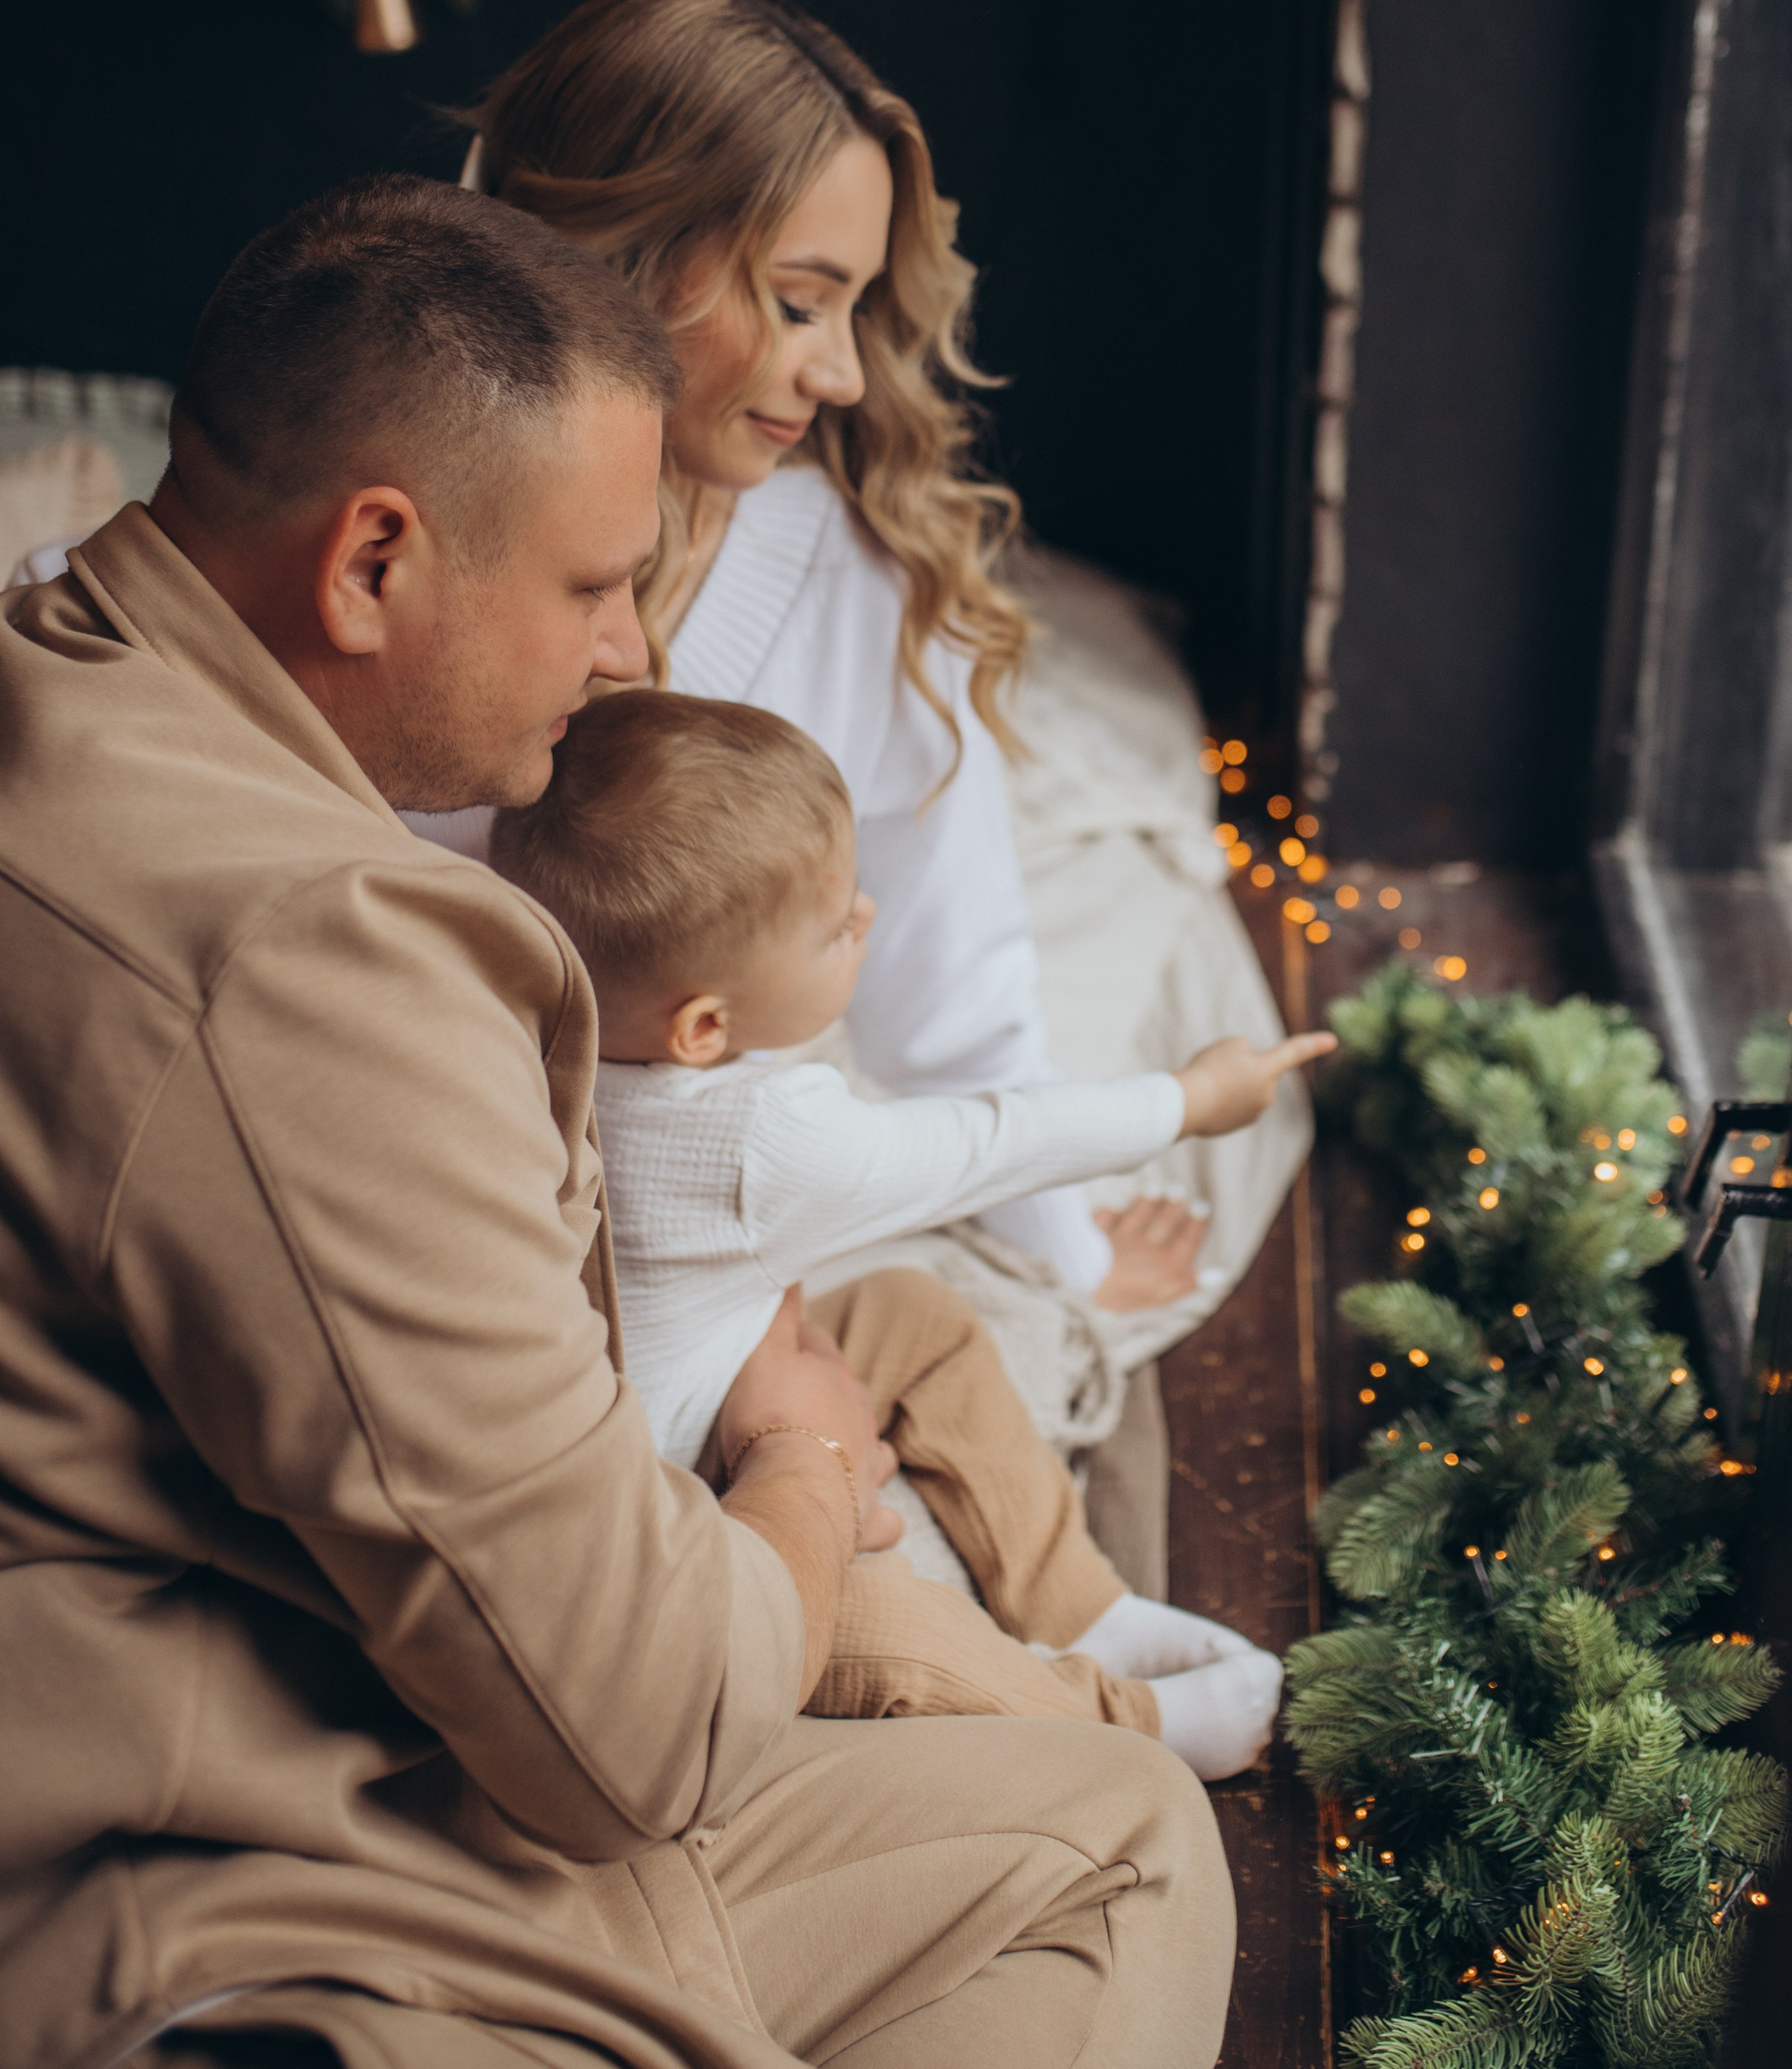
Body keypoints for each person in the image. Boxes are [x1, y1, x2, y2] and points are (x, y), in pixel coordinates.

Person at [0, 179, 1234, 2069]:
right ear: (376, 556)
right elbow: (632, 1735)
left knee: (1109, 1815)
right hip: (218, 1909)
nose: (633, 649)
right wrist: (807, 1465)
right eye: (594, 585)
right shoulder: (316, 956)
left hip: (263, 1755)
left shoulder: (56, 667)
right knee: (1122, 1852)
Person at [428, 0, 1309, 1376]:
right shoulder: (394, 527)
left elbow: (959, 1006)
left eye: (855, 311)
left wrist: (1077, 1258)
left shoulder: (855, 591)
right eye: (799, 301)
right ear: (623, 253)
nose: (841, 374)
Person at [491, 686, 1330, 1776]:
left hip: (704, 1399)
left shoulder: (534, 1030)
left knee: (910, 1315)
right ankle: (1131, 1723)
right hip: (687, 1543)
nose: (871, 917)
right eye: (838, 924)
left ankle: (1078, 1603)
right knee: (893, 1635)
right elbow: (989, 1140)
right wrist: (1185, 1101)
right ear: (703, 1028)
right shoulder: (763, 1142)